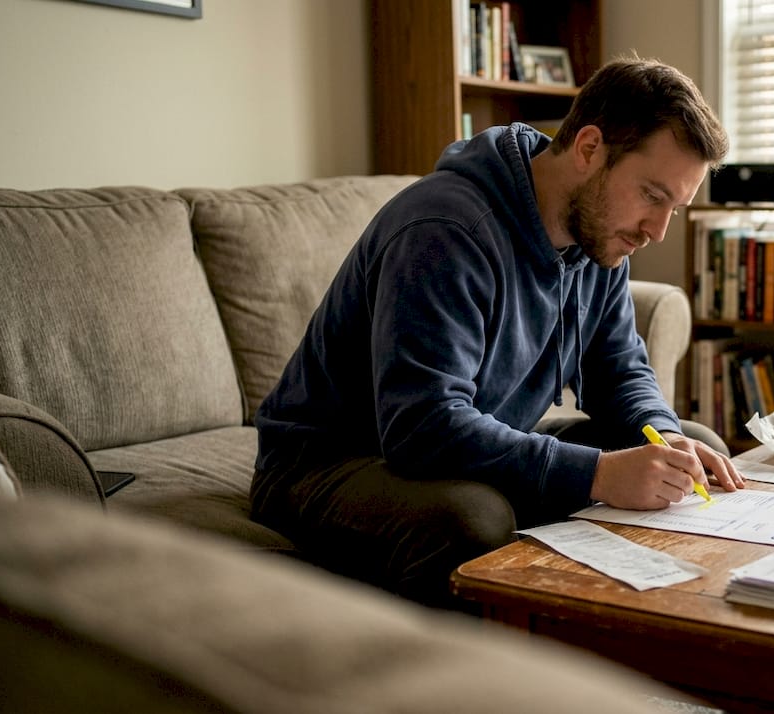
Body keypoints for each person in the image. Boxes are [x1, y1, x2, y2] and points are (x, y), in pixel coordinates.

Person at [250, 57, 745, 610]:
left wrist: (660, 434)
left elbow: (619, 370)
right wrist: (599, 475)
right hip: (327, 463)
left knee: (696, 452)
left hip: (458, 445)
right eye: (653, 196)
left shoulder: (601, 232)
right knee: (475, 519)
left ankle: (622, 633)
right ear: (588, 149)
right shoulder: (445, 230)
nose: (657, 231)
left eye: (675, 207)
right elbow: (421, 426)